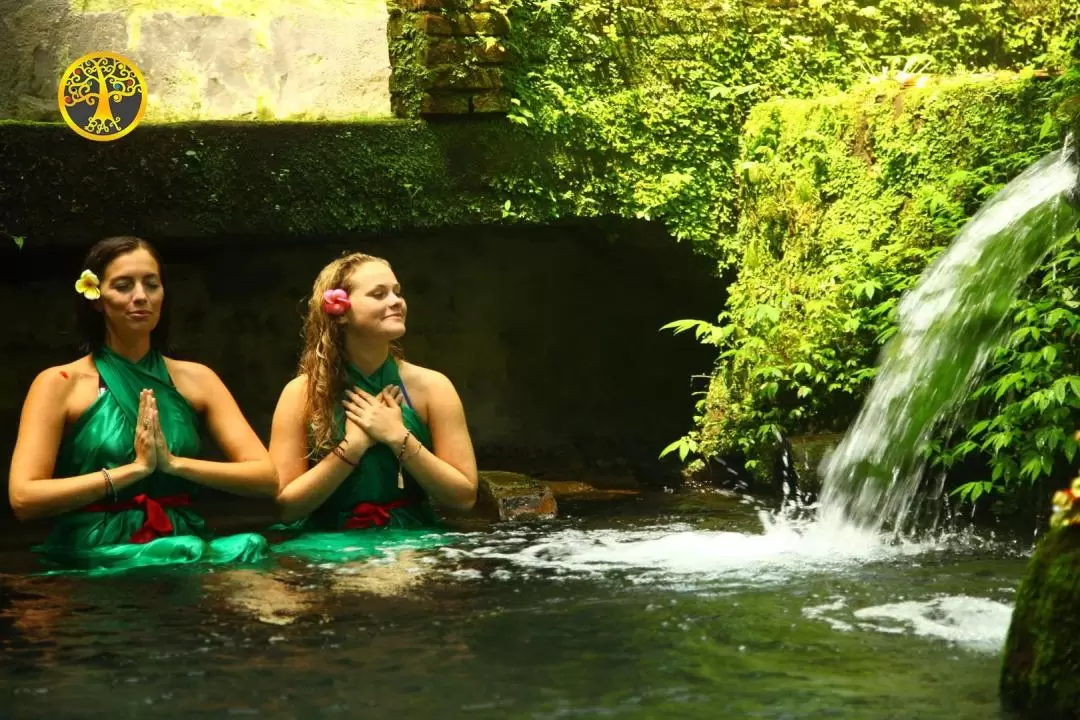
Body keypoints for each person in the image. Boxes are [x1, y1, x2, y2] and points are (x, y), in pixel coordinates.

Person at [7, 236, 279, 572]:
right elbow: (23, 498)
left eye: (151, 284)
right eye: (123, 286)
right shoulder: (59, 383)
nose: (141, 296)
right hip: (95, 543)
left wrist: (173, 464)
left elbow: (265, 477)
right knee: (185, 551)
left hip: (182, 536)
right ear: (96, 298)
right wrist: (132, 471)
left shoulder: (198, 379)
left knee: (251, 544)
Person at [269, 251, 478, 544]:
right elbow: (285, 508)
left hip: (413, 539)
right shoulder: (300, 393)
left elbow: (464, 497)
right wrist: (352, 447)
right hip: (326, 539)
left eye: (397, 292)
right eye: (378, 294)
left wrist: (397, 437)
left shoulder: (433, 387)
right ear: (340, 311)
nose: (396, 302)